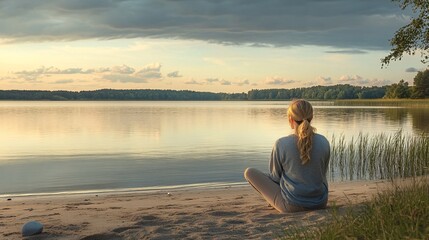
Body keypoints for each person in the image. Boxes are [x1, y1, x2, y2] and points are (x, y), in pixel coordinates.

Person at [244, 99, 330, 213]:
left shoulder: (281, 144)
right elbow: (322, 175)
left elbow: (275, 178)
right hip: (320, 203)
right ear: (312, 117)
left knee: (249, 172)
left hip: (291, 206)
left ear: (290, 119)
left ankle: (275, 202)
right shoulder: (324, 141)